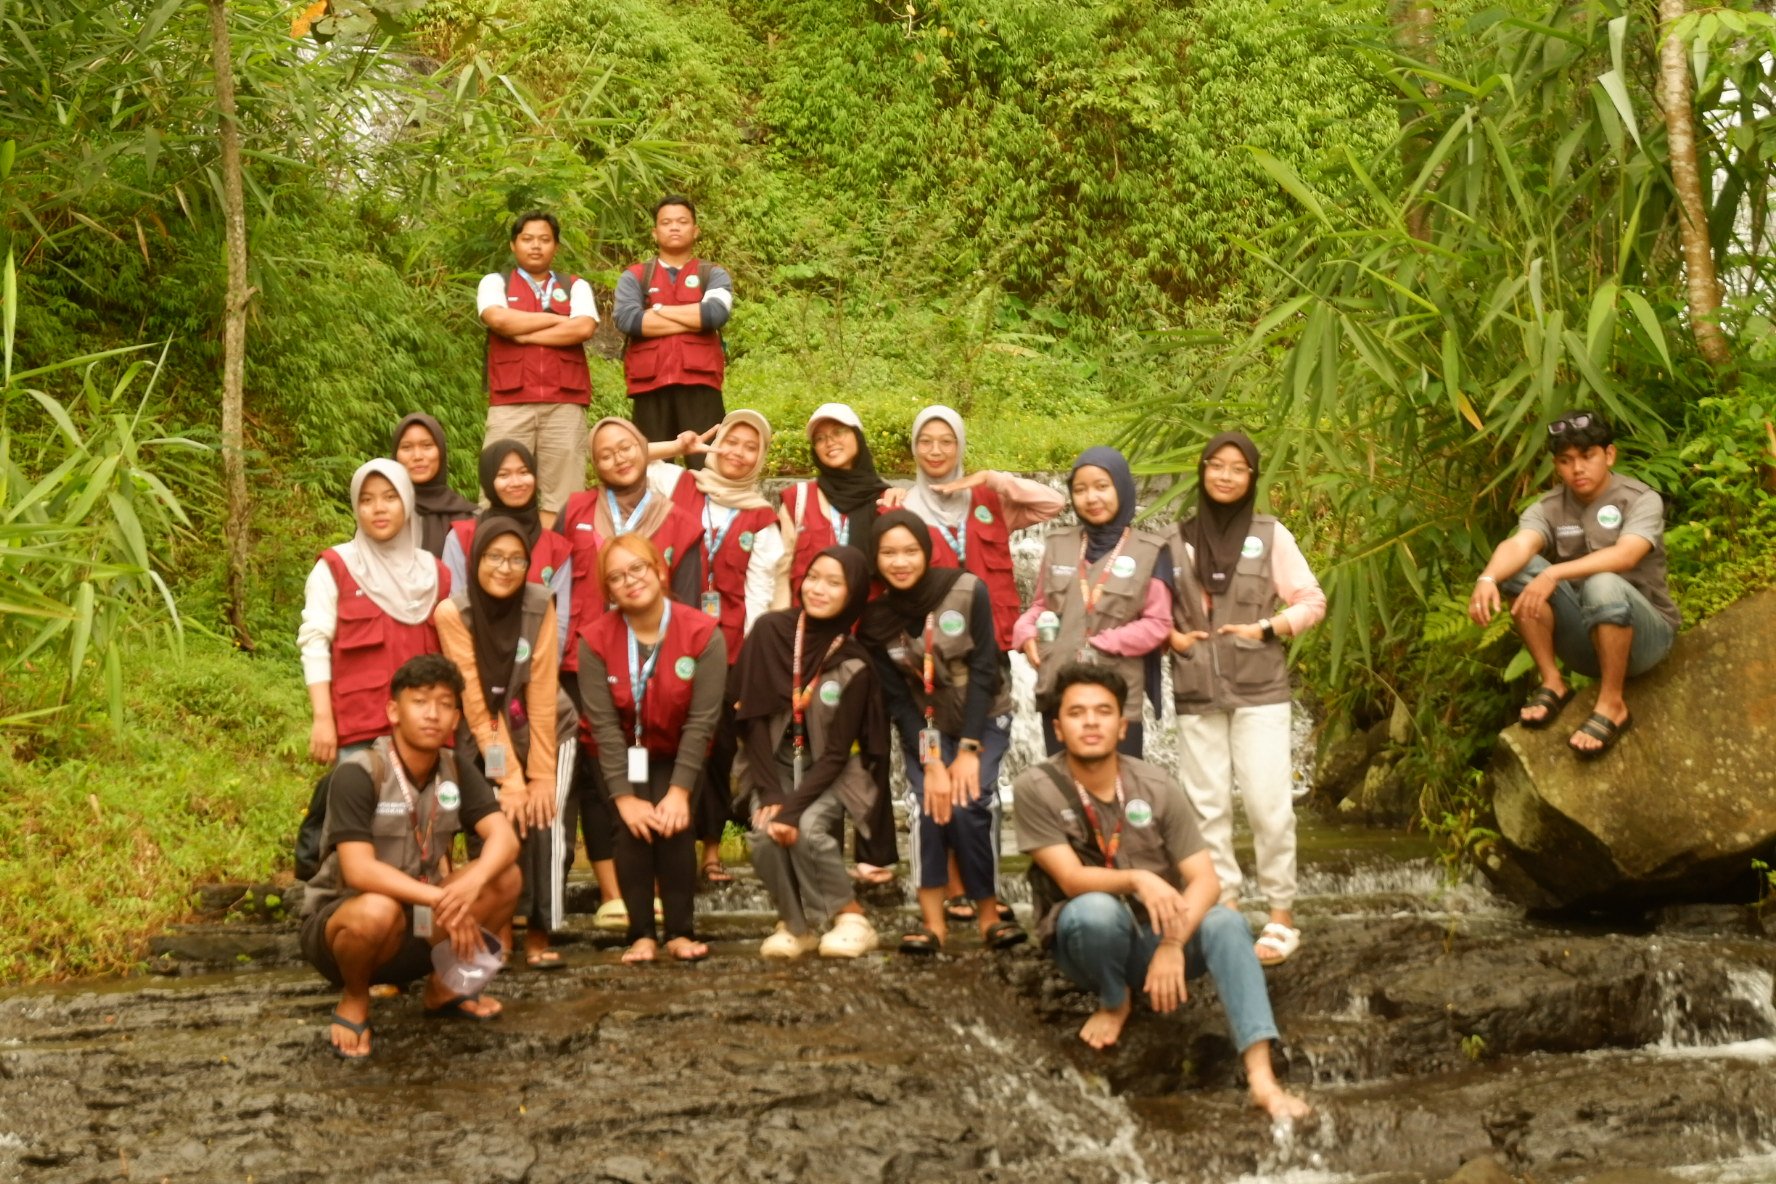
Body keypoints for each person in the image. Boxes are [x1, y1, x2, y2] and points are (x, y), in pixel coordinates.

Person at [1013, 663, 1311, 1120]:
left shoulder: (1156, 785)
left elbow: (1206, 880)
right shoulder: (1035, 788)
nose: (1090, 722)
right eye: (1077, 713)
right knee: (1096, 910)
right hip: (1086, 940)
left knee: (1228, 921)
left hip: (1159, 937)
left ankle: (1262, 1080)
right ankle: (1115, 1000)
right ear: (1057, 727)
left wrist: (1173, 943)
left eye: (1102, 712)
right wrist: (1138, 878)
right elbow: (1071, 880)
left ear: (1122, 724)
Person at [885, 403, 1067, 923]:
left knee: (974, 787)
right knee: (933, 785)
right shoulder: (901, 510)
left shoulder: (988, 500)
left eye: (947, 441)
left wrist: (996, 479)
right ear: (914, 448)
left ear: (960, 446)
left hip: (989, 666)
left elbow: (1053, 502)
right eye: (926, 441)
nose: (936, 451)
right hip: (927, 672)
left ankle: (979, 889)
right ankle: (951, 889)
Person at [301, 653, 522, 1059]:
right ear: (393, 711)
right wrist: (442, 898)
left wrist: (470, 884)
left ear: (456, 718)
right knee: (377, 909)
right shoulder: (360, 772)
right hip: (344, 928)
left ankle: (446, 987)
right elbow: (359, 870)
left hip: (417, 926)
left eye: (444, 704)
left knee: (505, 877)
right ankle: (354, 998)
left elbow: (504, 839)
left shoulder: (455, 769)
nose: (432, 714)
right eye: (420, 701)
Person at [1167, 432, 1326, 968]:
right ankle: (1228, 908)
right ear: (1203, 470)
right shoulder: (1176, 540)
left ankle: (1281, 913)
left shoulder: (1271, 534)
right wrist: (1171, 637)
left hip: (1260, 688)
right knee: (1207, 806)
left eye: (1239, 469)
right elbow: (1153, 612)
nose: (1226, 476)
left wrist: (1268, 627)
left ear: (1253, 478)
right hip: (1196, 688)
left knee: (1268, 805)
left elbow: (1310, 600)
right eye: (1217, 466)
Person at [555, 417, 705, 930]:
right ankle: (613, 894)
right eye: (605, 454)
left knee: (653, 776)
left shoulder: (680, 520)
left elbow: (686, 599)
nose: (618, 459)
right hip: (584, 664)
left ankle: (661, 896)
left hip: (656, 668)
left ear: (645, 450)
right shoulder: (575, 511)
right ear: (595, 466)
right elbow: (554, 587)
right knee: (602, 783)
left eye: (626, 448)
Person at [860, 509, 1026, 954]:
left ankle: (989, 915)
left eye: (910, 551)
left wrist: (969, 749)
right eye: (889, 553)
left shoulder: (966, 589)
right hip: (928, 726)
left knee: (972, 800)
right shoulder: (875, 621)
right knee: (926, 805)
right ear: (876, 559)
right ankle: (934, 924)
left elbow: (987, 668)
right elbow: (898, 701)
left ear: (926, 551)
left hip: (984, 716)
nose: (900, 562)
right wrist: (933, 761)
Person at [1468, 411, 1680, 758]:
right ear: (1556, 466)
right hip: (1587, 640)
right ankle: (1553, 682)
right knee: (1518, 569)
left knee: (1603, 583)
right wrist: (1487, 578)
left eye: (1587, 456)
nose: (1577, 468)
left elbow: (1626, 556)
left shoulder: (1641, 499)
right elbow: (1520, 544)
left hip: (1647, 640)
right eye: (1566, 461)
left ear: (1609, 455)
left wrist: (1553, 574)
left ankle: (1612, 704)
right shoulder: (1549, 507)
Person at [646, 411, 790, 883]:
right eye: (732, 441)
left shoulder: (762, 518)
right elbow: (620, 455)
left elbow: (759, 594)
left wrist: (747, 661)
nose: (738, 452)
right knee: (664, 740)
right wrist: (678, 446)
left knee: (714, 746)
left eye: (751, 446)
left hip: (725, 651)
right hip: (665, 639)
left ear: (760, 458)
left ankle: (709, 849)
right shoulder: (678, 483)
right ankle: (664, 846)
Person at [577, 533, 727, 963]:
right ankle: (640, 934)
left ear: (660, 570)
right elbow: (603, 728)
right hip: (623, 751)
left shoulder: (703, 633)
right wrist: (623, 797)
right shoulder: (595, 640)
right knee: (631, 827)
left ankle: (680, 931)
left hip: (682, 749)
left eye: (637, 568)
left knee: (673, 822)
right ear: (608, 590)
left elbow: (702, 721)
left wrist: (680, 791)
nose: (630, 581)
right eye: (617, 577)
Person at [434, 516, 576, 970]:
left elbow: (540, 690)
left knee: (544, 817)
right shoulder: (454, 613)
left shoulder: (539, 602)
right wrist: (510, 778)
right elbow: (475, 704)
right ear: (475, 561)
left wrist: (539, 775)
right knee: (498, 822)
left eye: (517, 559)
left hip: (545, 728)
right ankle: (501, 930)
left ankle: (540, 931)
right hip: (484, 737)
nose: (505, 567)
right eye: (495, 556)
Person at [734, 546, 889, 958]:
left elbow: (838, 755)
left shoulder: (854, 663)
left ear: (852, 594)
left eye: (834, 583)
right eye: (814, 577)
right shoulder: (769, 631)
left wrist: (792, 810)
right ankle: (795, 925)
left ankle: (851, 917)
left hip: (829, 773)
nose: (818, 589)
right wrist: (770, 796)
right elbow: (750, 721)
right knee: (764, 836)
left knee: (806, 830)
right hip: (772, 767)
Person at [1011, 447, 1172, 757]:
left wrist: (1104, 644)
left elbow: (1159, 623)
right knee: (1062, 795)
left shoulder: (1151, 551)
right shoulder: (1059, 543)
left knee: (1115, 796)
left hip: (1117, 695)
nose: (1091, 498)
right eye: (1081, 490)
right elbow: (1041, 606)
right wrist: (1026, 631)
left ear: (1122, 488)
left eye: (1102, 486)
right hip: (1059, 690)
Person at [299, 460, 451, 766]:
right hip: (360, 733)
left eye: (390, 497)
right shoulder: (336, 567)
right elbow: (314, 643)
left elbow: (456, 656)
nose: (378, 508)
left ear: (407, 502)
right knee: (356, 812)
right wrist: (323, 719)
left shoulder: (435, 574)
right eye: (366, 500)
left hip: (428, 732)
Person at [478, 210, 597, 525]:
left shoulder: (576, 286)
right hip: (510, 402)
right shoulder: (495, 283)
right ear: (513, 245)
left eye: (544, 240)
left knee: (565, 496)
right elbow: (499, 319)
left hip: (565, 402)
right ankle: (497, 555)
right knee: (499, 485)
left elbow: (583, 328)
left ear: (555, 247)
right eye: (527, 239)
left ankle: (557, 563)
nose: (536, 246)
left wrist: (522, 332)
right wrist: (558, 319)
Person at [612, 195, 733, 468]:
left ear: (695, 230)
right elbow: (628, 319)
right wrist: (693, 315)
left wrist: (656, 311)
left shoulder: (712, 274)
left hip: (700, 385)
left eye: (682, 222)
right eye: (666, 223)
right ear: (655, 232)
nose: (674, 227)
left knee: (709, 467)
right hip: (650, 386)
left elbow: (715, 314)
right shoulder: (635, 276)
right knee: (649, 469)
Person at [441, 440, 574, 659]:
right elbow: (454, 609)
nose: (516, 482)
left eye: (524, 472)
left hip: (536, 670)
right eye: (503, 475)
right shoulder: (462, 538)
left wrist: (541, 672)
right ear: (488, 480)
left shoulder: (556, 548)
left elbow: (558, 623)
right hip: (473, 665)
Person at [779, 403, 890, 596]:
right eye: (820, 438)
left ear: (857, 435)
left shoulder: (885, 498)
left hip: (870, 620)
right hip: (809, 619)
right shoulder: (798, 499)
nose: (829, 442)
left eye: (838, 432)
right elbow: (780, 569)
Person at [392, 413, 476, 558]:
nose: (417, 456)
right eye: (406, 447)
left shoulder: (467, 516)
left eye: (427, 446)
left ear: (441, 451)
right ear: (395, 455)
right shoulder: (383, 511)